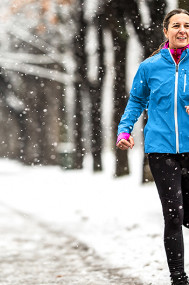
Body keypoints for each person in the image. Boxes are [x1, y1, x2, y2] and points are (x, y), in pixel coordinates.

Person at [116, 8, 189, 285]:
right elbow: (136, 101)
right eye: (176, 25)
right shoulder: (150, 67)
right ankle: (178, 278)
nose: (182, 30)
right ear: (165, 30)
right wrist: (124, 130)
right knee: (173, 214)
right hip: (161, 150)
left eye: (187, 25)